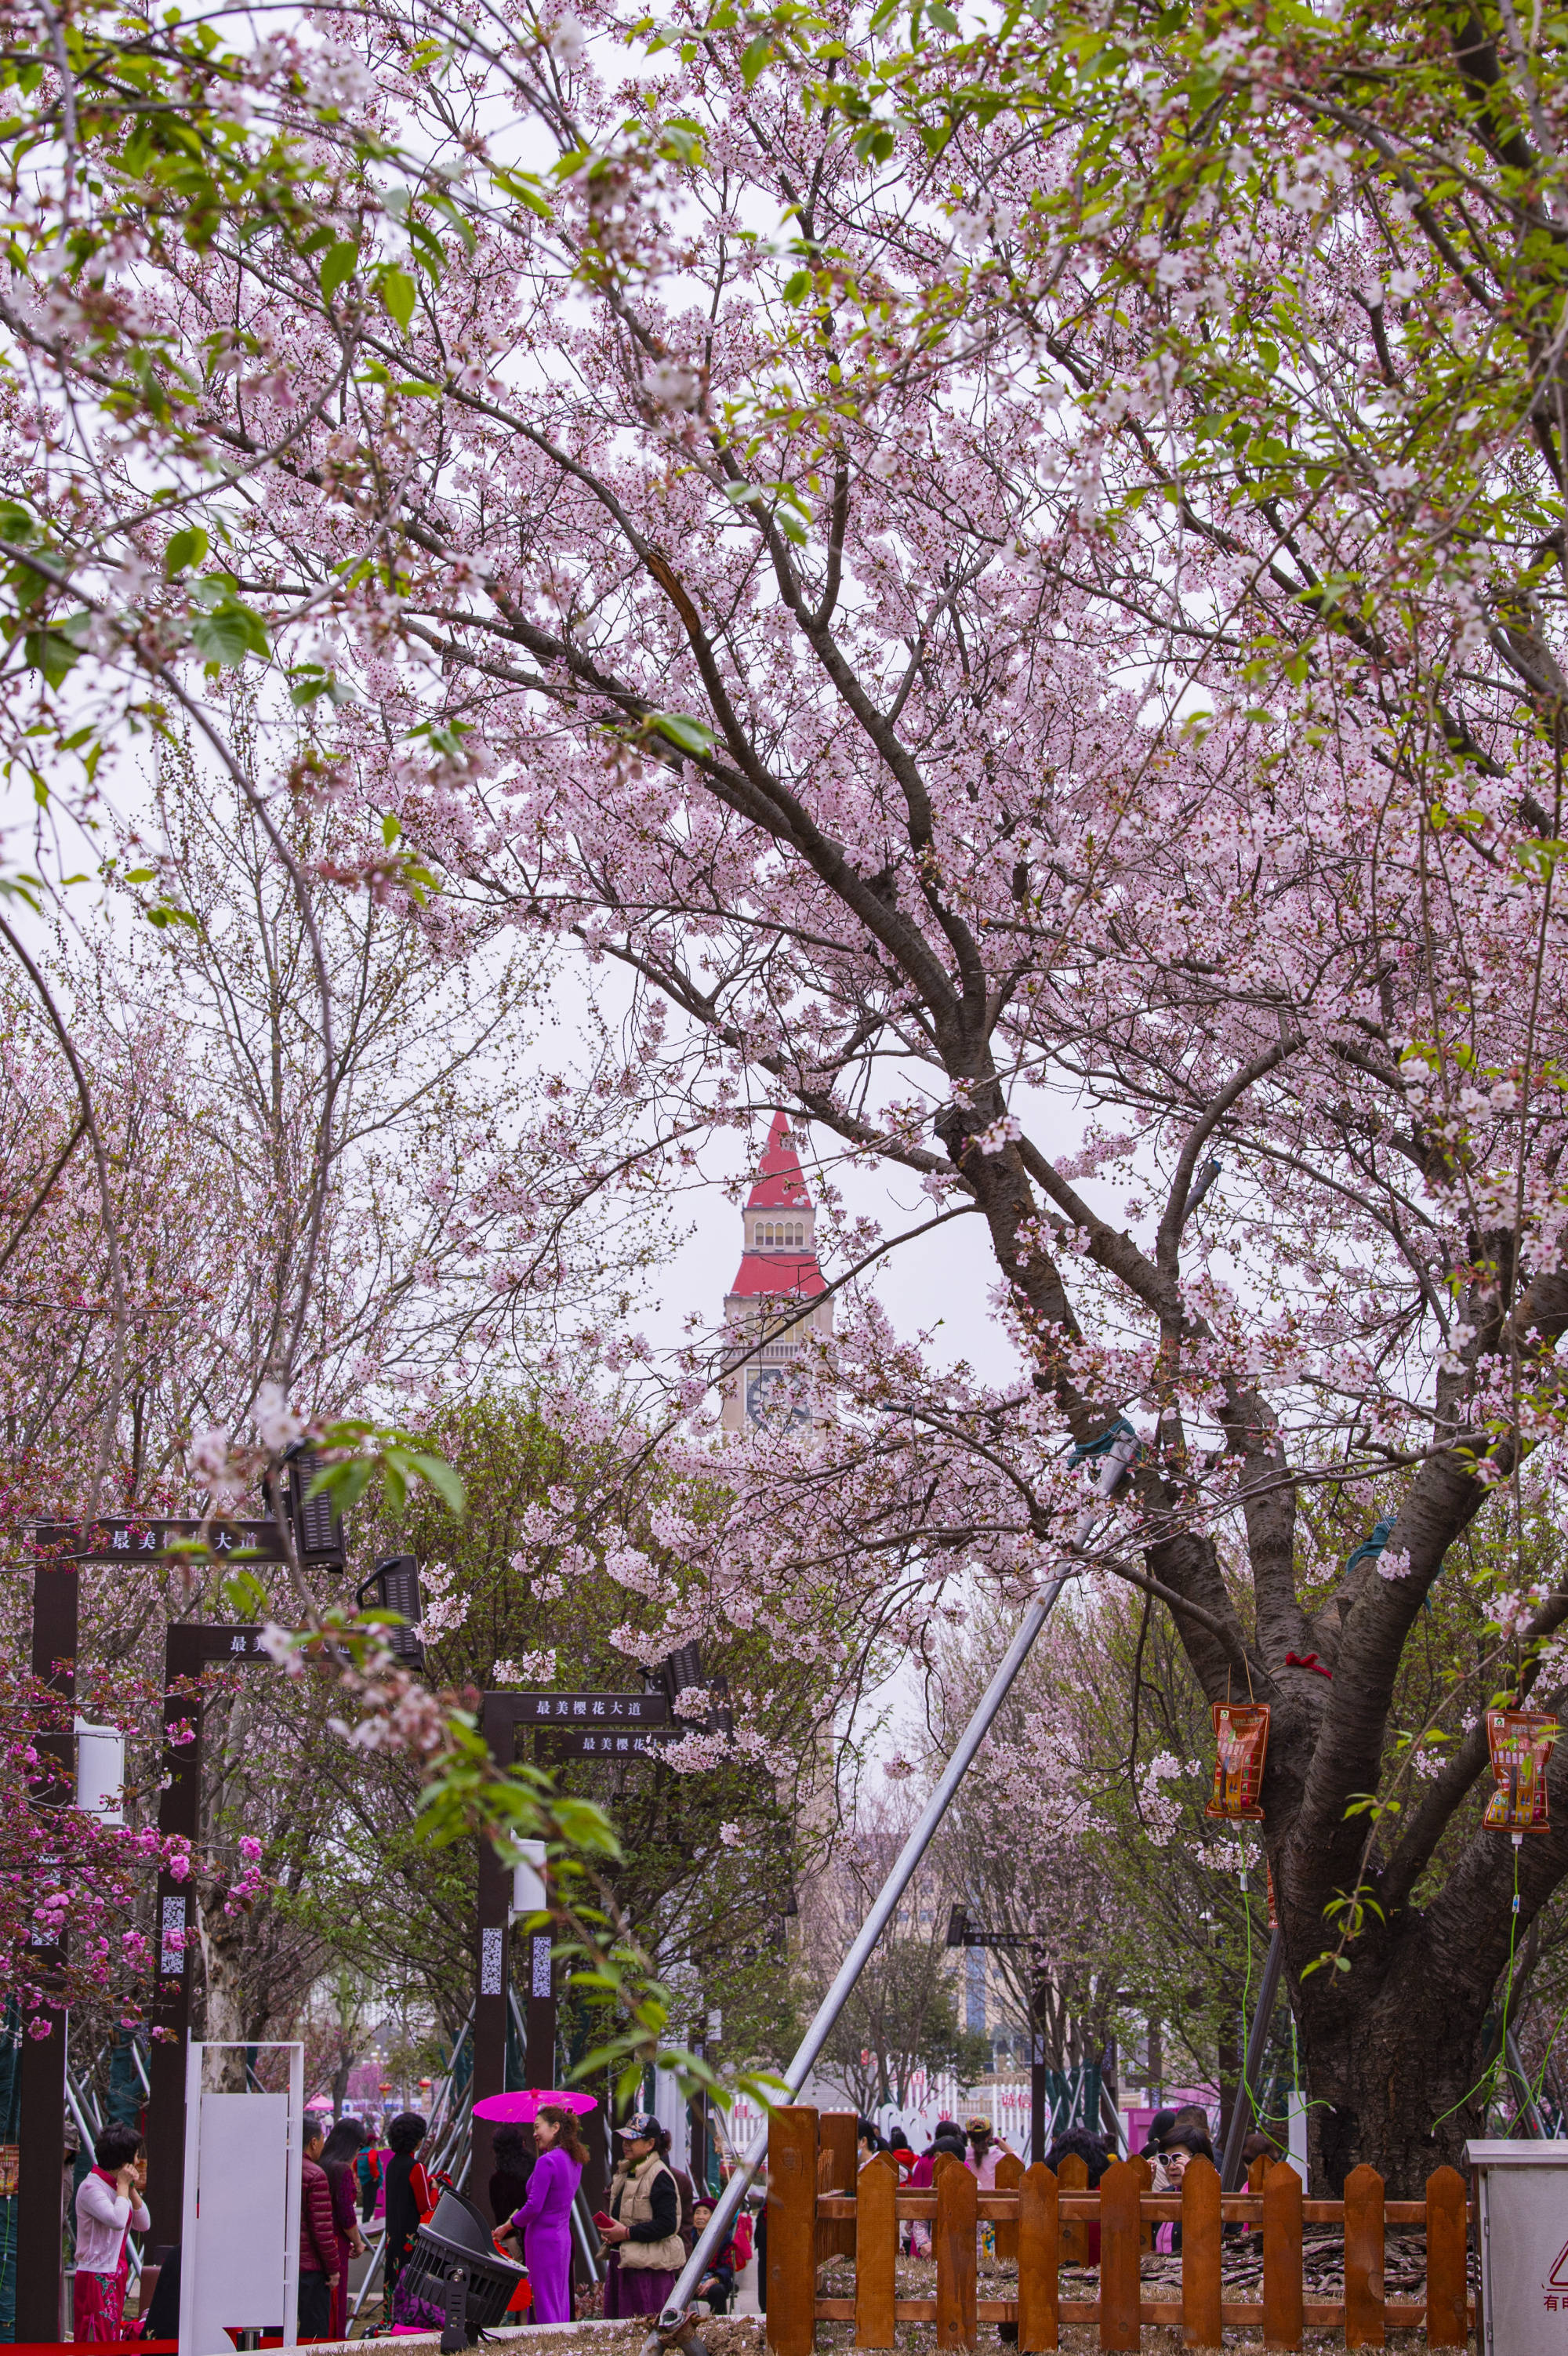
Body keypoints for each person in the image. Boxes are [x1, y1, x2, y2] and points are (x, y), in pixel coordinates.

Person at [496, 2103, 585, 2325]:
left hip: (542, 2239)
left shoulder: (547, 2162)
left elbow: (534, 2206)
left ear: (555, 2128)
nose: (534, 2134)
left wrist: (508, 2226)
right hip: (562, 2237)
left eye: (538, 2127)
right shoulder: (574, 2159)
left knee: (544, 2299)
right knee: (559, 2297)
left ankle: (548, 2344)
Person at [599, 2111, 686, 2318]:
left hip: (648, 2270)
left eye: (634, 2139)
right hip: (625, 2263)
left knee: (645, 2328)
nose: (626, 2144)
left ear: (650, 2144)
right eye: (625, 2139)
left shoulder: (660, 2176)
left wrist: (626, 2233)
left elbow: (667, 2224)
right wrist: (613, 2234)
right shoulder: (626, 2172)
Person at [74, 2122, 150, 2343]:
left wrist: (130, 2189)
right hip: (95, 2274)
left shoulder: (117, 2188)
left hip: (115, 2271)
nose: (138, 2162)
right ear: (124, 2161)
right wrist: (124, 2187)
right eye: (136, 2156)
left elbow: (143, 2223)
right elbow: (117, 2220)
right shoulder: (91, 2188)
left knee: (110, 2335)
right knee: (97, 2335)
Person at [320, 2119, 368, 2339]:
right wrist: (358, 2243)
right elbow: (347, 2216)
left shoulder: (321, 2165)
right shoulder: (342, 2170)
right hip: (337, 2244)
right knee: (336, 2301)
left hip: (318, 2241)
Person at [381, 2111, 434, 2312]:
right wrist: (435, 2187)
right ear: (417, 2140)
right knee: (410, 2280)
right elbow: (425, 2206)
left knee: (392, 2278)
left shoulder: (392, 2165)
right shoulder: (417, 2167)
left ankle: (390, 2316)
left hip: (392, 2235)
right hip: (411, 2237)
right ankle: (409, 2317)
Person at [299, 2119, 339, 2341]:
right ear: (313, 2142)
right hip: (311, 2269)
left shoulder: (277, 2168)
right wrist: (333, 2269)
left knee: (274, 2334)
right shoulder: (315, 2175)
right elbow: (322, 2230)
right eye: (323, 2139)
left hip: (277, 2268)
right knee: (314, 2333)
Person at [690, 2200, 739, 2314]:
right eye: (697, 2213)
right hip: (690, 2280)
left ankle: (718, 2322)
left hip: (715, 2279)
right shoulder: (687, 2238)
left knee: (718, 2291)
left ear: (713, 2217)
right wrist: (691, 2282)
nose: (700, 2217)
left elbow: (727, 2267)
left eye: (705, 2213)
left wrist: (715, 2279)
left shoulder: (722, 2238)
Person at [488, 2120, 535, 2224]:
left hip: (523, 2235)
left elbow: (503, 2221)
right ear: (523, 2144)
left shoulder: (497, 2181)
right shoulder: (537, 2170)